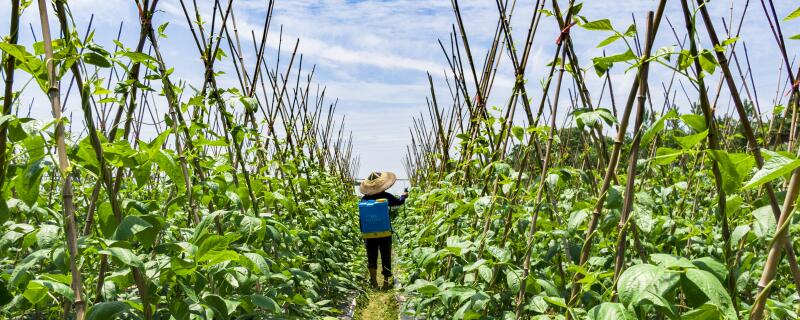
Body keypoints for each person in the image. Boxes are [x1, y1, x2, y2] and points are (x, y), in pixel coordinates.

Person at [359, 171, 407, 289]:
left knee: (372, 257)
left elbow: (362, 217)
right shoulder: (386, 196)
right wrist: (404, 196)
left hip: (369, 234)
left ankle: (374, 283)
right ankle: (385, 282)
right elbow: (399, 202)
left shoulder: (364, 199)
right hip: (384, 232)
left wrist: (363, 233)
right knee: (386, 256)